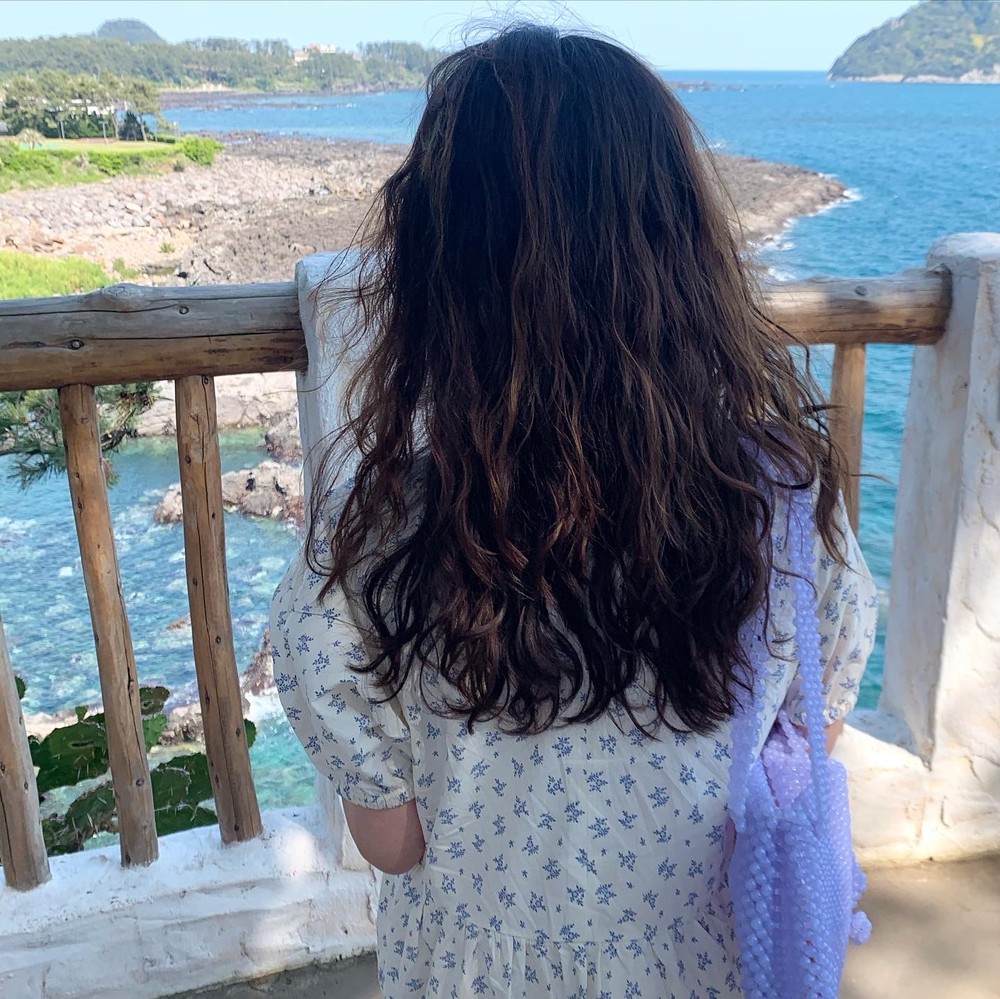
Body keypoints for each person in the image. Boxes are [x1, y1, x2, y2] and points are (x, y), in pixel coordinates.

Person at [270, 24, 877, 998]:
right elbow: (807, 740)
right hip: (709, 962)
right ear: (688, 255)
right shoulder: (782, 505)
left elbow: (391, 843)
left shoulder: (373, 535)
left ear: (434, 271)